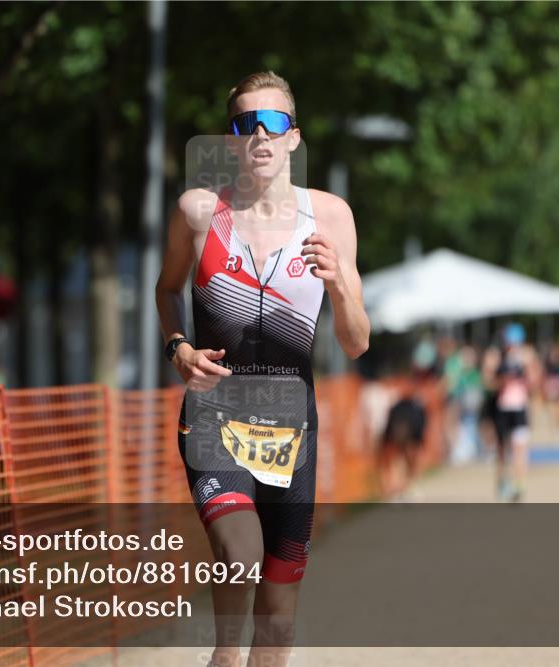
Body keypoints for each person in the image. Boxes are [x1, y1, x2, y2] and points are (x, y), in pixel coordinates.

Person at [154, 71, 369, 667]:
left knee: (276, 623)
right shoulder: (199, 212)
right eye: (246, 124)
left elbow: (356, 343)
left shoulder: (331, 217)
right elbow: (167, 289)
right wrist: (178, 349)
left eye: (273, 122)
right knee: (241, 555)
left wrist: (339, 286)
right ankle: (225, 654)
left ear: (294, 136)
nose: (260, 136)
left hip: (293, 429)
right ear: (232, 141)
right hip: (214, 416)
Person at [488, 323, 541, 502]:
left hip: (519, 408)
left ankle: (519, 484)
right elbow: (488, 381)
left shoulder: (526, 356)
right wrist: (501, 380)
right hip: (501, 408)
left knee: (520, 449)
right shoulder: (496, 356)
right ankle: (503, 481)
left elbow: (535, 382)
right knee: (502, 449)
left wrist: (526, 371)